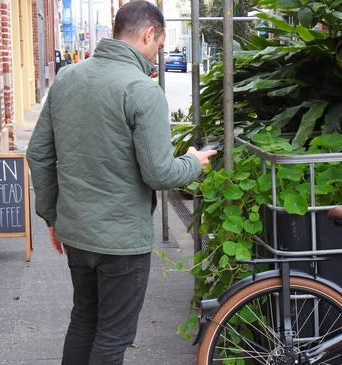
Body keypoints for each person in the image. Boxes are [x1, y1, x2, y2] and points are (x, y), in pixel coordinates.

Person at [26, 1, 217, 364]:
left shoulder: (66, 77)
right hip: (123, 241)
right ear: (148, 34)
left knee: (83, 321)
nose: (157, 53)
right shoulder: (142, 91)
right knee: (113, 337)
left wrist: (52, 217)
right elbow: (160, 173)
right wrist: (193, 162)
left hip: (76, 230)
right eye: (158, 46)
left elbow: (38, 155)